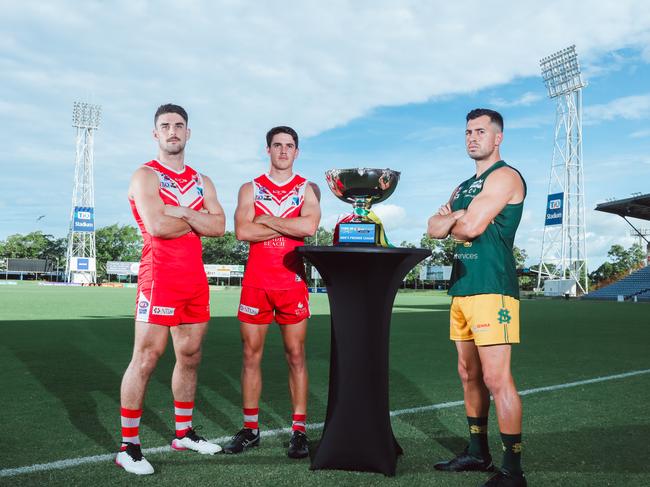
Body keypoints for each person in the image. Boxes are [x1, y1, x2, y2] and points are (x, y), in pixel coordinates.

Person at [116, 104, 226, 475]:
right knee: (147, 357)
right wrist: (197, 219)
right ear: (155, 134)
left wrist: (180, 213)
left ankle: (184, 434)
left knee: (191, 355)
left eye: (179, 125)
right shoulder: (146, 176)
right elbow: (157, 227)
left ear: (188, 133)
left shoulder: (202, 181)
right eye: (165, 125)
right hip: (159, 275)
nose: (173, 131)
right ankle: (128, 446)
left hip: (194, 278)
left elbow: (219, 227)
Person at [427, 109, 527, 487]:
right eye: (468, 131)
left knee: (496, 378)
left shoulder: (505, 177)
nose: (472, 137)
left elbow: (469, 226)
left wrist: (457, 219)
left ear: (497, 137)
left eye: (480, 131)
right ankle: (477, 452)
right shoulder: (464, 186)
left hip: (493, 288)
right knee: (468, 374)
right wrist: (458, 217)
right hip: (462, 288)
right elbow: (434, 229)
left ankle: (513, 471)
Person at [224, 126, 321, 459]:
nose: (283, 151)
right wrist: (285, 222)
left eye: (289, 146)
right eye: (277, 145)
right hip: (256, 283)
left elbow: (308, 228)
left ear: (297, 152)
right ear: (268, 150)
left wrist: (265, 219)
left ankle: (298, 430)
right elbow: (241, 230)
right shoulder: (250, 187)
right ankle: (250, 429)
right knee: (251, 355)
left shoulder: (307, 189)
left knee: (296, 355)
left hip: (291, 282)